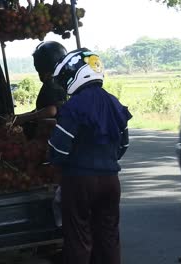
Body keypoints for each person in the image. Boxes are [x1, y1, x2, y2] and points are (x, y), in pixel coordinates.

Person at [48, 48, 132, 264]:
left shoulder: (73, 106)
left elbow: (59, 148)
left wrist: (58, 165)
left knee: (79, 239)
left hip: (80, 181)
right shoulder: (115, 103)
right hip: (111, 181)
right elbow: (124, 144)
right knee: (109, 238)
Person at [14, 41, 67, 128]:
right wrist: (21, 117)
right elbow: (43, 108)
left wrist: (25, 118)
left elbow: (51, 110)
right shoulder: (61, 81)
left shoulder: (52, 83)